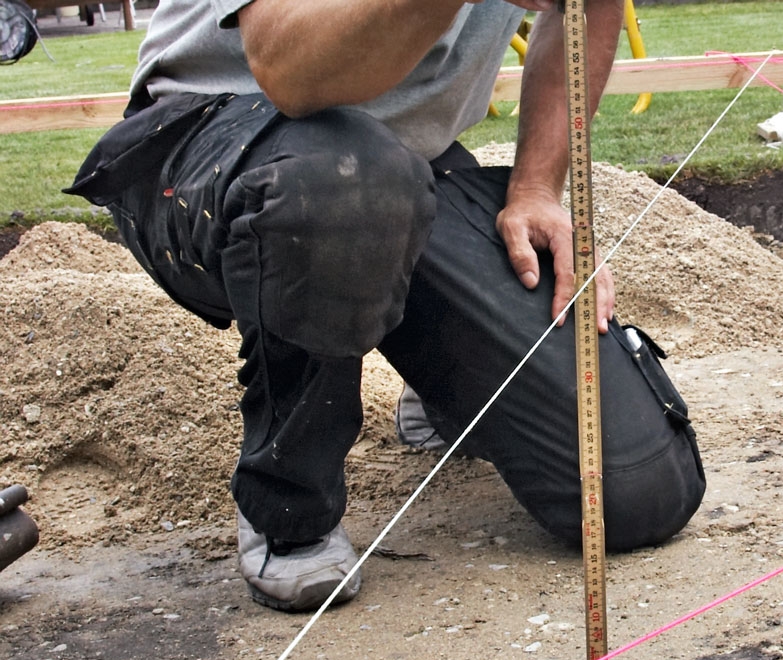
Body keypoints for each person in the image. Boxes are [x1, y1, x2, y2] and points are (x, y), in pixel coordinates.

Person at [66, 0, 706, 613]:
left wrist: (537, 185)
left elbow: (585, 7)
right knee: (343, 179)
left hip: (404, 166)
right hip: (208, 149)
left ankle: (438, 377)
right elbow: (292, 74)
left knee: (635, 491)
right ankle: (289, 504)